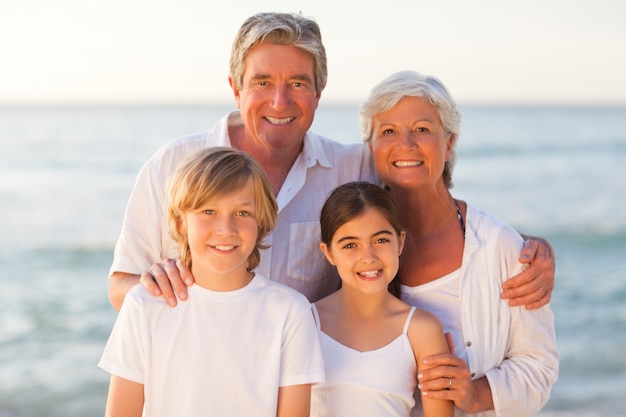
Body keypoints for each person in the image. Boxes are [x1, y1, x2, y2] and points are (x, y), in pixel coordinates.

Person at [108, 12, 555, 312]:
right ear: (235, 87)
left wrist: (525, 248)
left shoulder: (352, 169)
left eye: (297, 83)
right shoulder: (173, 166)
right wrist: (149, 288)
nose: (279, 100)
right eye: (262, 81)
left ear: (318, 94)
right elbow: (119, 286)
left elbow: (431, 207)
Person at [360, 70, 559, 416]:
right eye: (388, 131)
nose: (405, 144)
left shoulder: (501, 247)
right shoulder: (355, 249)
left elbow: (539, 365)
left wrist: (477, 394)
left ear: (449, 142)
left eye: (422, 129)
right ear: (371, 147)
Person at [99, 147, 324, 417]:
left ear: (261, 222)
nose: (226, 229)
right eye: (208, 211)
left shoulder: (291, 313)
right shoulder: (143, 305)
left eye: (242, 213)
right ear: (181, 223)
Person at [310, 181, 453, 417]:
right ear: (328, 253)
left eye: (380, 240)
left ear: (400, 242)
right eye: (350, 245)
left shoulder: (421, 329)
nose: (368, 256)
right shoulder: (305, 322)